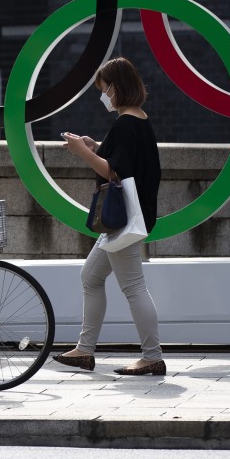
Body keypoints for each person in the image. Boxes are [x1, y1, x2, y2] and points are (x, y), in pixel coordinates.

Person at [53, 57, 166, 376]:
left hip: (124, 217)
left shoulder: (126, 122)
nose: (103, 96)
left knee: (133, 286)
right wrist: (94, 145)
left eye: (104, 90)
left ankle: (152, 356)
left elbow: (115, 171)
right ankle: (85, 350)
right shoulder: (138, 119)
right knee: (91, 277)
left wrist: (83, 152)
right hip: (132, 215)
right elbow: (122, 158)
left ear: (116, 88)